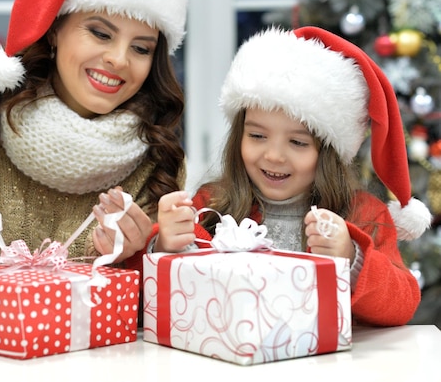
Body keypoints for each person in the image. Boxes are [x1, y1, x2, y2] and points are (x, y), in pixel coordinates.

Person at [0, 0, 189, 317]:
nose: (119, 59)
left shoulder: (158, 158)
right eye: (101, 33)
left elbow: (160, 316)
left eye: (140, 48)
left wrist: (137, 257)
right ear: (55, 28)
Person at [153, 26, 432, 327]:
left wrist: (352, 258)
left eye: (297, 142)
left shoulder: (363, 214)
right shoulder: (212, 203)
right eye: (258, 136)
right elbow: (180, 294)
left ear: (328, 153)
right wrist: (166, 245)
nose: (273, 155)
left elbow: (402, 305)